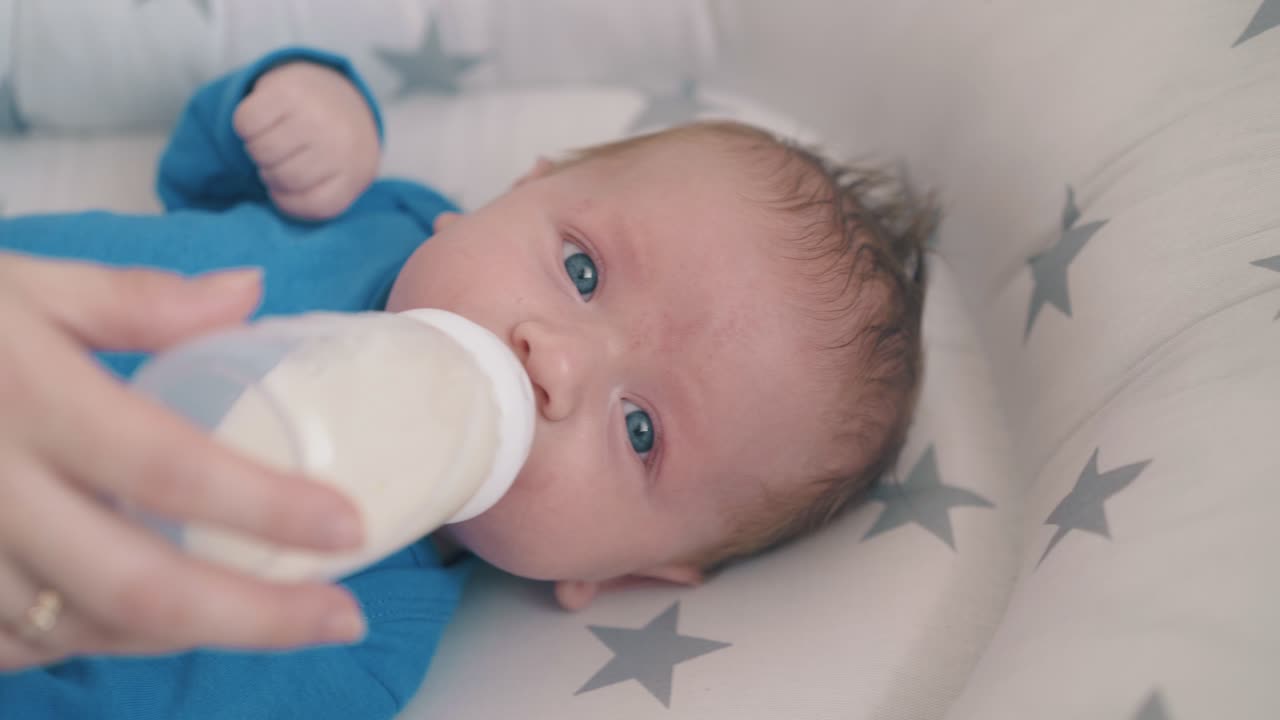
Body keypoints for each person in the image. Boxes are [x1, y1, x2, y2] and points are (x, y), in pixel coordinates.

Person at [0, 45, 931, 719]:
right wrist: (299, 103)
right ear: (514, 193)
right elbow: (201, 180)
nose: (556, 363)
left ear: (618, 572)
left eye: (641, 430)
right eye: (581, 272)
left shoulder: (345, 650)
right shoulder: (388, 218)